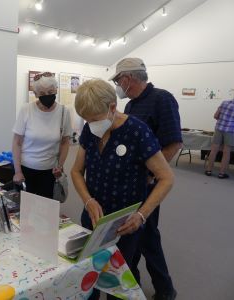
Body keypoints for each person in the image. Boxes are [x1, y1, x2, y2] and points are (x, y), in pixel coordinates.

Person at [71, 79, 174, 300]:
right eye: (86, 120)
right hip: (93, 219)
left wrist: (141, 215)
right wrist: (88, 200)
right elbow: (76, 172)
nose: (90, 124)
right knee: (88, 276)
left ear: (112, 107)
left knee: (117, 282)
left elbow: (166, 178)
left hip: (124, 224)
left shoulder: (138, 132)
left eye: (95, 119)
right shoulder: (90, 131)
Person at [110, 57, 182, 300]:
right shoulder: (130, 106)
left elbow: (174, 143)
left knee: (148, 237)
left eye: (118, 80)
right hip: (131, 184)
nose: (118, 85)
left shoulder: (162, 99)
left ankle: (165, 290)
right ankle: (136, 282)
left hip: (150, 184)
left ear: (128, 79)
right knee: (134, 236)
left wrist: (153, 175)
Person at [12, 72, 72, 198]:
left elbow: (65, 142)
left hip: (49, 172)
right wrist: (17, 171)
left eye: (50, 92)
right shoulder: (26, 109)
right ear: (36, 94)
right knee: (23, 210)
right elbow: (17, 142)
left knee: (45, 211)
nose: (47, 96)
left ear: (56, 90)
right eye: (42, 94)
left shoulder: (63, 112)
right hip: (25, 170)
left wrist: (60, 166)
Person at [205, 89, 234, 178]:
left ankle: (208, 170)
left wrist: (224, 120)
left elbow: (215, 116)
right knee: (226, 152)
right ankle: (221, 173)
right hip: (231, 131)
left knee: (214, 150)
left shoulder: (224, 102)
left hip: (219, 128)